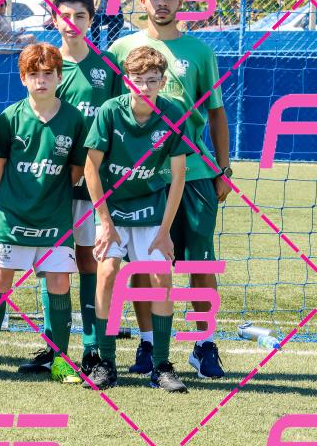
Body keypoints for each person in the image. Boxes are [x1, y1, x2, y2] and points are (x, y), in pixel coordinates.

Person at [110, 0, 231, 380]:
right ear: (142, 0)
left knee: (200, 262)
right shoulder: (121, 48)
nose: (162, 2)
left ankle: (204, 344)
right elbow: (113, 115)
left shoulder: (200, 51)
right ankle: (148, 344)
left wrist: (224, 169)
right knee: (143, 264)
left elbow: (216, 113)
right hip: (142, 177)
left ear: (181, 1)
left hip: (194, 173)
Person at [17, 0, 121, 377]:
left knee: (91, 262)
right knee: (53, 265)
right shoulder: (46, 64)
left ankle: (93, 349)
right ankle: (54, 347)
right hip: (54, 185)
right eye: (65, 15)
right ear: (54, 19)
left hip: (95, 186)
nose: (72, 23)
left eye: (80, 15)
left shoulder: (107, 66)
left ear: (91, 20)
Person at [0, 43, 86, 384]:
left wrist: (47, 195)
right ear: (23, 78)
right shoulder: (10, 118)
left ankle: (60, 360)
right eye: (33, 74)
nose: (41, 80)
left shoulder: (74, 119)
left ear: (59, 77)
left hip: (55, 218)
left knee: (59, 281)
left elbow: (76, 171)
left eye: (48, 74)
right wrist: (20, 195)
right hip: (12, 217)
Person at [83, 46, 192, 392]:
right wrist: (105, 222)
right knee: (107, 272)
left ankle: (161, 366)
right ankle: (106, 363)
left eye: (152, 80)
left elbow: (178, 177)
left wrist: (165, 232)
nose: (144, 87)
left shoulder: (173, 114)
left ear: (163, 81)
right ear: (127, 80)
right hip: (113, 209)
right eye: (137, 80)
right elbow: (90, 168)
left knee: (161, 277)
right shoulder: (110, 111)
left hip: (151, 208)